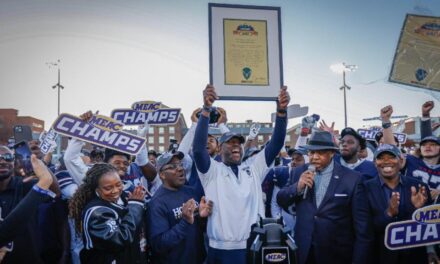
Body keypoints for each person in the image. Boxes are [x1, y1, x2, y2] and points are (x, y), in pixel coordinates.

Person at [193, 84, 289, 264]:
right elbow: (198, 150)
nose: (236, 145)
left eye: (239, 143)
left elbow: (276, 144)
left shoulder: (253, 167)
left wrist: (281, 113)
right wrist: (206, 110)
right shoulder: (212, 171)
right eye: (230, 143)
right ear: (220, 148)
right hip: (222, 248)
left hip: (254, 243)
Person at [277, 131, 372, 264]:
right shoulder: (298, 172)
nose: (314, 157)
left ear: (332, 153)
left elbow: (362, 228)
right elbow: (281, 198)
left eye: (320, 153)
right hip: (304, 251)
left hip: (337, 254)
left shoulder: (352, 179)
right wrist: (297, 187)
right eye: (311, 153)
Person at [363, 144, 430, 263]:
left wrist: (417, 210)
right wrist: (388, 214)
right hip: (379, 257)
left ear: (401, 160)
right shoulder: (364, 188)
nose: (386, 161)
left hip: (414, 256)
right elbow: (364, 228)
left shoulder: (419, 187)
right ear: (374, 163)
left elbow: (429, 226)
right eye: (381, 158)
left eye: (391, 157)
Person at [69, 163, 146, 263]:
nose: (115, 190)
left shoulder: (120, 199)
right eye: (108, 188)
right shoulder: (96, 212)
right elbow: (120, 239)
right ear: (97, 189)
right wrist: (135, 206)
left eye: (119, 184)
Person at [148, 151, 213, 264]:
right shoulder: (157, 203)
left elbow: (199, 228)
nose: (179, 169)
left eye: (180, 165)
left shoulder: (192, 192)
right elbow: (159, 244)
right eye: (172, 167)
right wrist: (185, 222)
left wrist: (203, 218)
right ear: (162, 174)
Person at [0, 145, 59, 263]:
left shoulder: (24, 184)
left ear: (15, 161)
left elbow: (55, 192)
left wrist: (41, 166)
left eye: (7, 157)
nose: (2, 161)